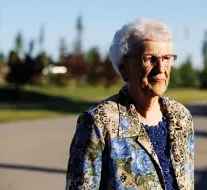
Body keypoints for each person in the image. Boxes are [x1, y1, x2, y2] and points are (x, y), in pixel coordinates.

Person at [66, 18, 195, 190]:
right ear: (124, 68)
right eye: (150, 59)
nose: (161, 68)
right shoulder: (98, 122)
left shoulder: (182, 117)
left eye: (166, 58)